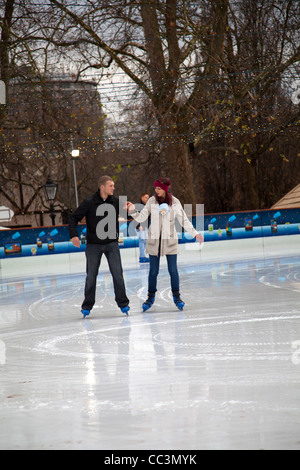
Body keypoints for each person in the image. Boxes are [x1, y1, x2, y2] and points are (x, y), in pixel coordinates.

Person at [126, 177, 203, 312]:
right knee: (153, 272)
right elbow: (142, 217)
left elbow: (184, 220)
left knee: (173, 270)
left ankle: (177, 297)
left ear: (165, 189)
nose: (156, 191)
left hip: (170, 241)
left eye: (159, 189)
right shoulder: (151, 201)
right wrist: (132, 211)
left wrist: (195, 233)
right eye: (155, 188)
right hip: (154, 241)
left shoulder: (174, 202)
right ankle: (150, 298)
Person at [68, 175, 130, 318]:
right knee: (91, 276)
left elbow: (131, 212)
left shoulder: (116, 202)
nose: (113, 188)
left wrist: (131, 208)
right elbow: (73, 218)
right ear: (102, 186)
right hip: (93, 246)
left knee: (118, 275)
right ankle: (87, 306)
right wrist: (74, 235)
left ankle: (123, 304)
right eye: (110, 186)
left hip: (112, 244)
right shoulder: (89, 203)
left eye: (113, 186)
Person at [136, 192, 150, 263]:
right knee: (142, 241)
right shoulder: (139, 206)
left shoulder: (146, 206)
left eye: (148, 198)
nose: (147, 199)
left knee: (145, 241)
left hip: (145, 226)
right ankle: (142, 257)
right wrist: (138, 225)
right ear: (142, 198)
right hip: (140, 226)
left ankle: (143, 256)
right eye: (146, 198)